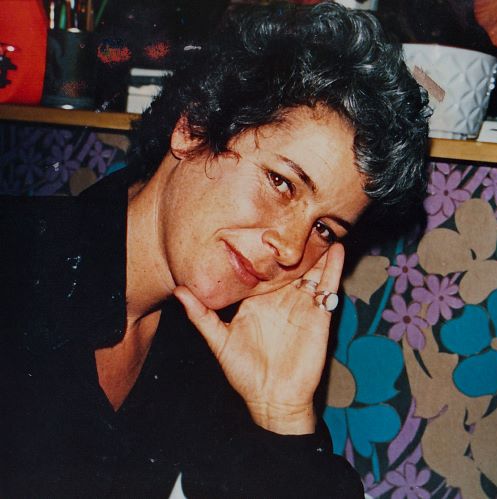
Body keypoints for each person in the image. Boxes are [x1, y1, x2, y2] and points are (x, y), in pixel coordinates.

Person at [0, 2, 429, 498]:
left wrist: (282, 413)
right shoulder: (18, 264)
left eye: (324, 229)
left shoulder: (207, 336)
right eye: (281, 182)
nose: (291, 249)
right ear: (194, 128)